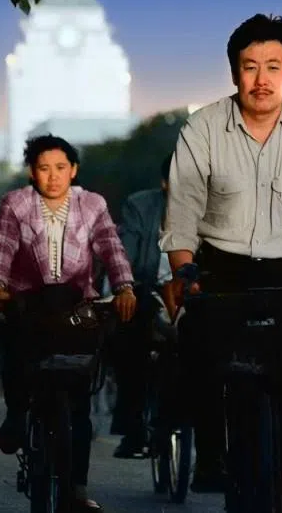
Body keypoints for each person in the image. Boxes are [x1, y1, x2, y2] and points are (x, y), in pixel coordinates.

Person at [160, 13, 282, 512]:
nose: (261, 79)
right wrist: (184, 271)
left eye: (273, 66)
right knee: (199, 359)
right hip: (222, 270)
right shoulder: (202, 126)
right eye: (250, 67)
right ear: (234, 73)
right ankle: (210, 459)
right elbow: (182, 211)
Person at [0, 134, 136, 513]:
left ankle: (77, 488)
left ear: (74, 170)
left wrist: (124, 287)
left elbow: (111, 248)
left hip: (75, 308)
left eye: (60, 168)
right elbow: (2, 248)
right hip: (28, 305)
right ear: (32, 173)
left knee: (80, 402)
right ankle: (16, 414)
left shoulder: (93, 205)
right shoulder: (16, 204)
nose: (52, 176)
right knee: (16, 352)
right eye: (43, 168)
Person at [110, 153, 173, 459]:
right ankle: (133, 428)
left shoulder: (216, 207)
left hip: (197, 297)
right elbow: (126, 254)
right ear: (165, 183)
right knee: (130, 328)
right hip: (149, 290)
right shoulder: (140, 206)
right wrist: (127, 285)